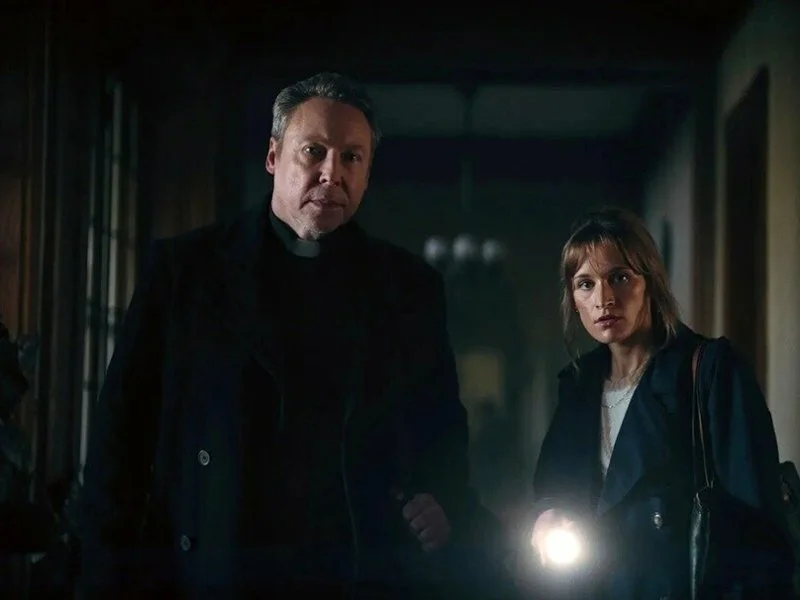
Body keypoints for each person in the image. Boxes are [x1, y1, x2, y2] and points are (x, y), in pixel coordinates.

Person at [79, 72, 508, 599]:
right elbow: (120, 440)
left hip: (354, 566)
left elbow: (441, 424)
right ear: (273, 156)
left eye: (352, 157)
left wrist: (442, 502)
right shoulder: (186, 272)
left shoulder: (408, 287)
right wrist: (104, 580)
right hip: (220, 561)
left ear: (367, 173)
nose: (333, 173)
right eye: (314, 151)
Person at [527, 207, 793, 598]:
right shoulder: (578, 386)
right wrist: (548, 515)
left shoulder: (709, 370)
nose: (603, 299)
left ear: (648, 281)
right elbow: (555, 484)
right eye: (585, 284)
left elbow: (757, 523)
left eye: (619, 277)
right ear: (573, 298)